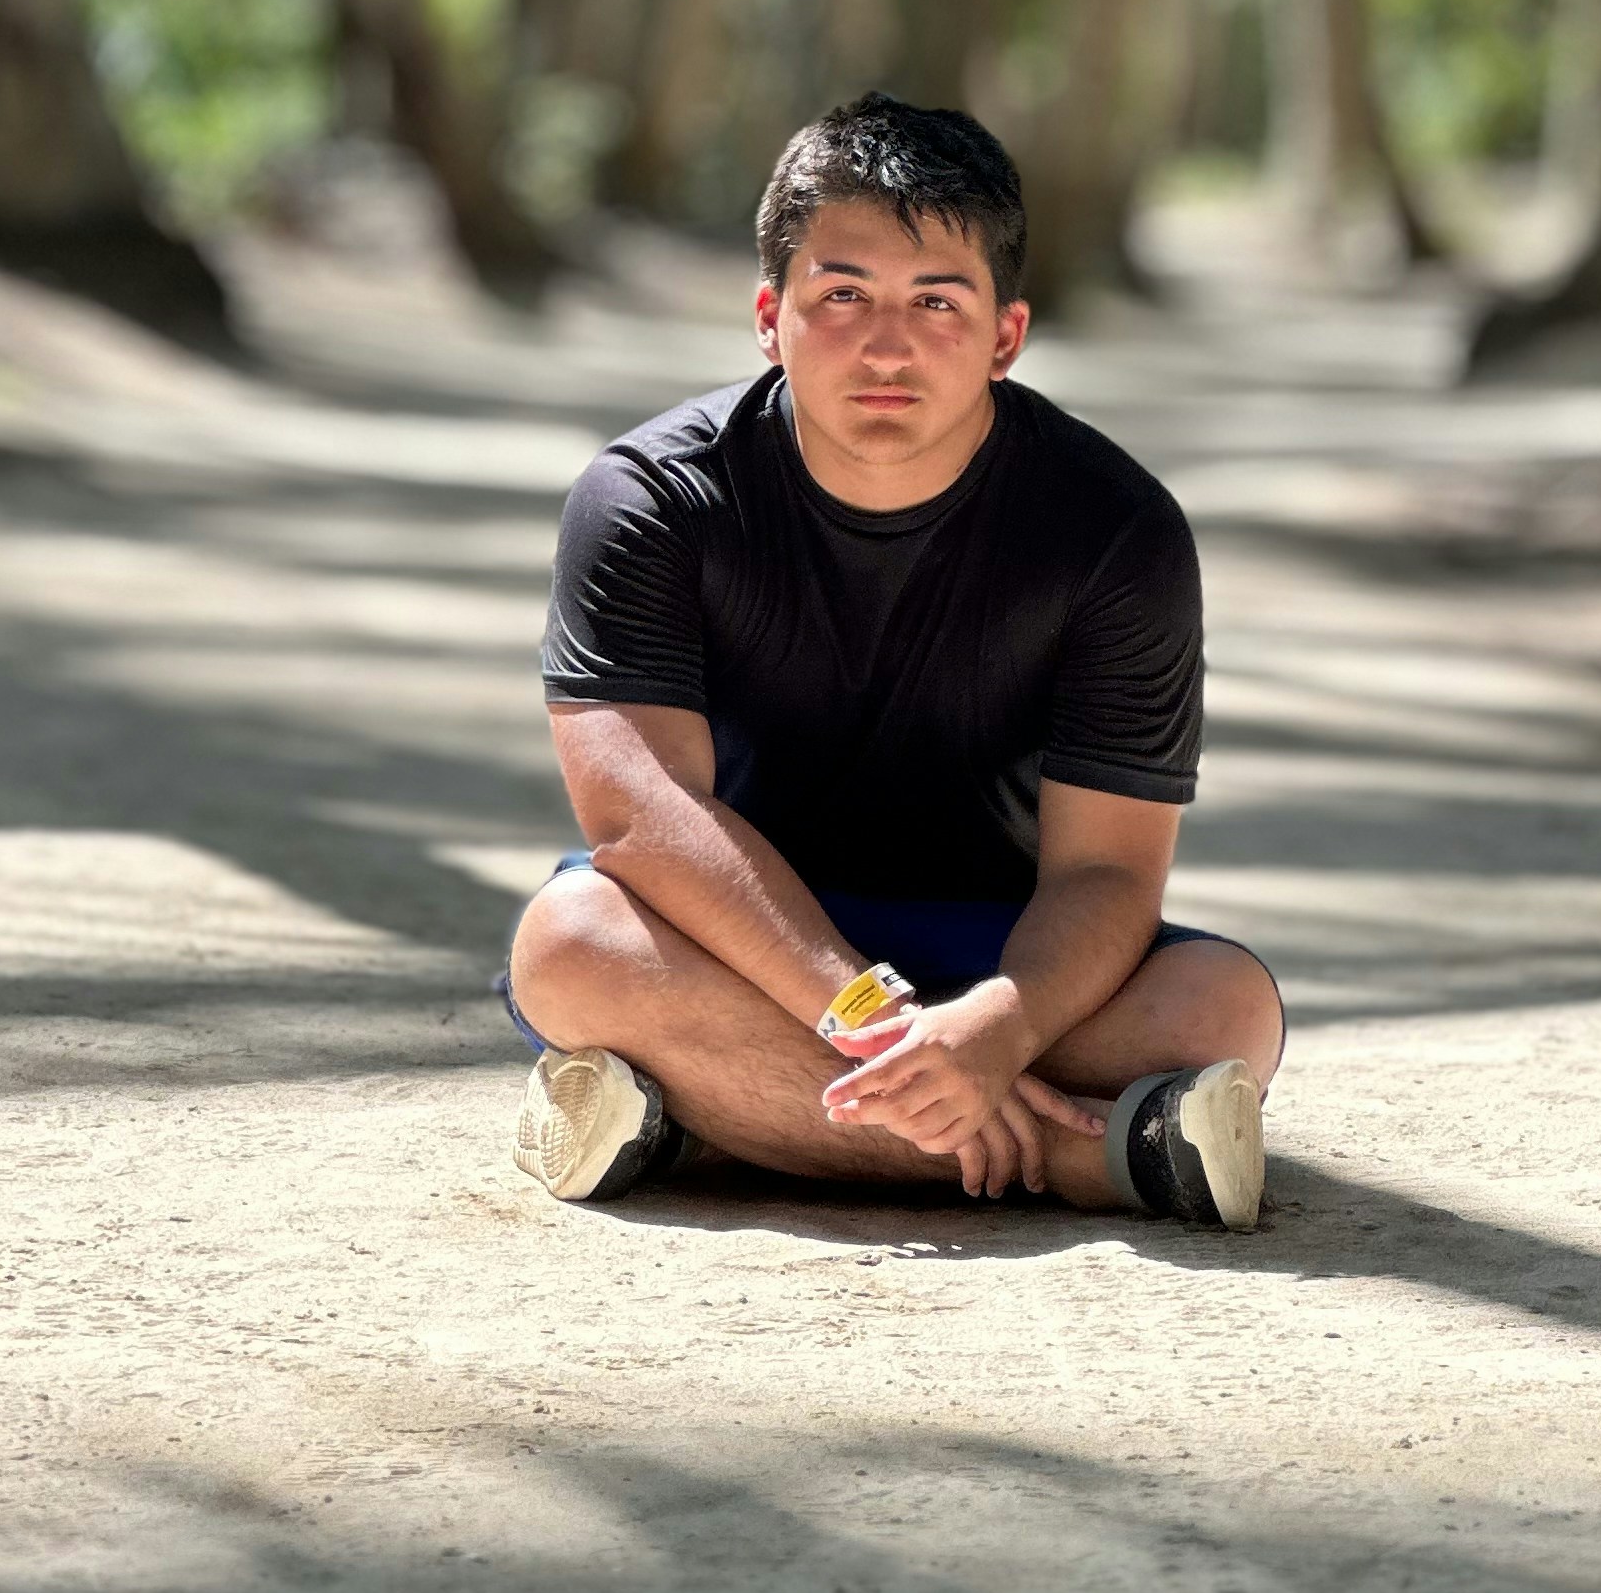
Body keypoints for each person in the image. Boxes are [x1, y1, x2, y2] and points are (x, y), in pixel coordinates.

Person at [504, 93, 1283, 1227]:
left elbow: (1108, 874)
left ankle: (691, 1121)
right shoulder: (648, 502)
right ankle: (1099, 1159)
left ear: (1006, 334)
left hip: (998, 950)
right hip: (734, 942)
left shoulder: (1117, 531)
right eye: (842, 296)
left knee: (1224, 1011)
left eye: (937, 302)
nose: (886, 346)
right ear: (769, 317)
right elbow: (641, 818)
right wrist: (874, 1020)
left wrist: (996, 1030)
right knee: (572, 946)